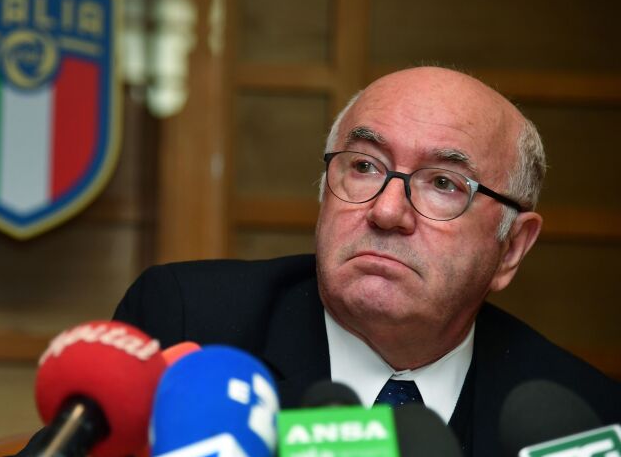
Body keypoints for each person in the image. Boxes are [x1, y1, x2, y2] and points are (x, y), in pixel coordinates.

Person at [113, 66, 621, 456]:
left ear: (510, 249)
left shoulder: (584, 425)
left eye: (443, 183)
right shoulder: (191, 326)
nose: (386, 210)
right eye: (363, 166)